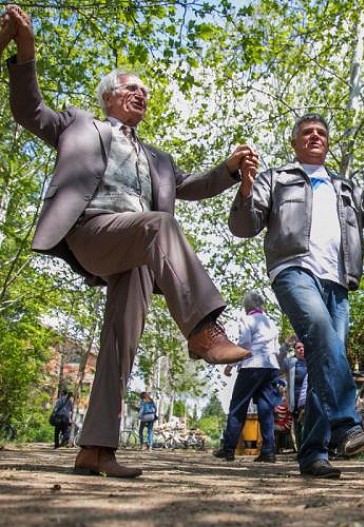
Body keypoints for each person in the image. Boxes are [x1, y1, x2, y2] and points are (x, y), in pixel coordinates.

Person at [1, 6, 256, 478]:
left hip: (136, 252)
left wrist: (228, 169)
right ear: (108, 97)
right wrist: (26, 51)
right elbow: (28, 109)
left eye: (145, 92)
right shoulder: (78, 125)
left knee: (121, 344)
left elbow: (193, 186)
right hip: (92, 230)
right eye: (131, 88)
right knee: (160, 224)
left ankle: (96, 449)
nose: (141, 94)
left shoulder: (159, 159)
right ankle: (203, 330)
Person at [229, 113, 364, 478]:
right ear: (294, 142)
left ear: (328, 142)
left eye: (321, 132)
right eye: (306, 132)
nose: (314, 136)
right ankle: (345, 425)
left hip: (338, 281)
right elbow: (244, 227)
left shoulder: (345, 187)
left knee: (327, 358)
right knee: (323, 336)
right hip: (292, 270)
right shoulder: (276, 178)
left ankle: (313, 454)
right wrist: (245, 188)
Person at [214, 291, 282, 463]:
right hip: (270, 366)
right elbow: (277, 348)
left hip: (252, 365)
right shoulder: (271, 323)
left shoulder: (247, 319)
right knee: (266, 408)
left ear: (247, 307)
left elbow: (244, 344)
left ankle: (229, 449)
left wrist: (231, 363)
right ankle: (268, 450)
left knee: (238, 405)